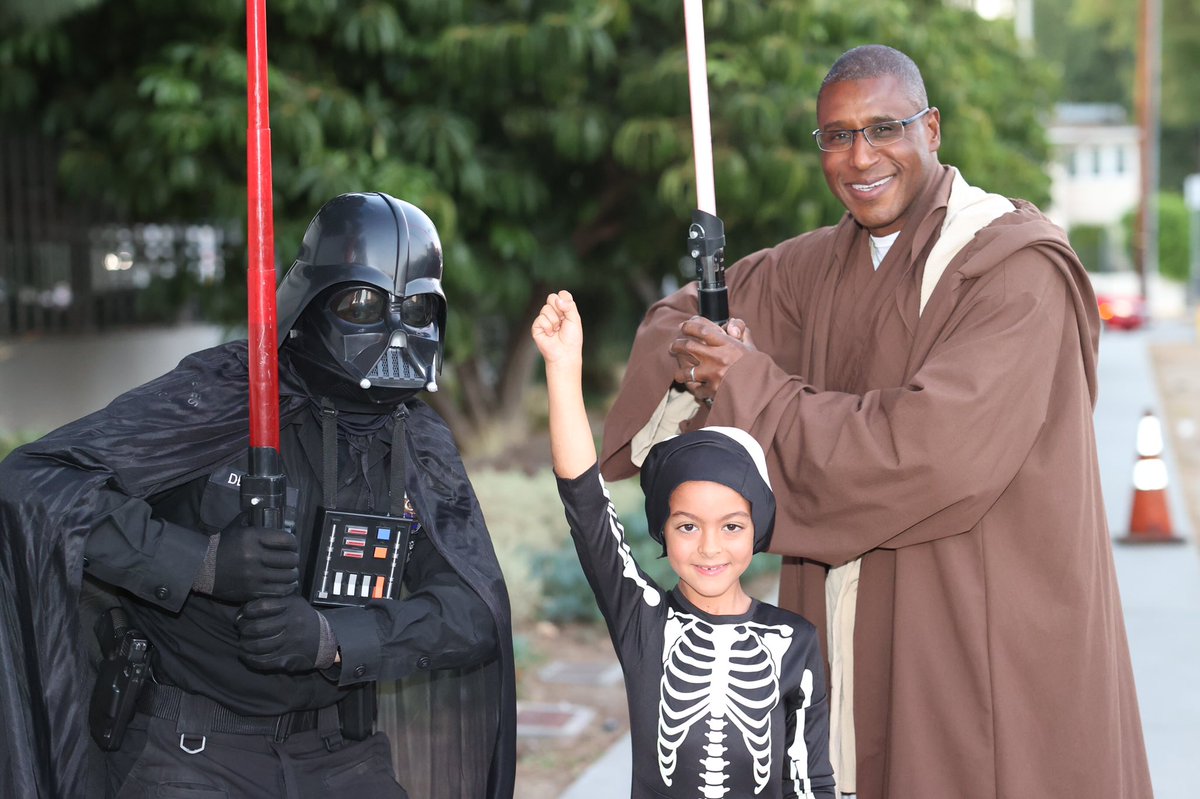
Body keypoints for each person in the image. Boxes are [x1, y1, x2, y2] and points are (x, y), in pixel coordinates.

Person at [599, 45, 1152, 799]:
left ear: (932, 128)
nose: (860, 157)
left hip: (980, 632)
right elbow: (682, 319)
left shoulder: (1014, 269)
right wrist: (700, 354)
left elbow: (930, 452)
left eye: (884, 128)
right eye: (837, 136)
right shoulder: (820, 266)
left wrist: (746, 380)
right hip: (845, 627)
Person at [0, 192, 515, 799]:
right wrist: (200, 564)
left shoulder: (415, 440)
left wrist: (333, 640)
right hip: (191, 752)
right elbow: (40, 484)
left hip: (340, 753)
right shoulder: (220, 396)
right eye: (363, 303)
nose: (395, 332)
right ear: (311, 300)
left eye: (418, 307)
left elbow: (474, 608)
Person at [532, 289, 836, 798]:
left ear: (758, 530)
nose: (710, 548)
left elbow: (810, 779)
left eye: (731, 526)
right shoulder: (644, 621)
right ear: (663, 532)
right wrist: (563, 370)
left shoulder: (794, 640)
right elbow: (587, 509)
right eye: (688, 526)